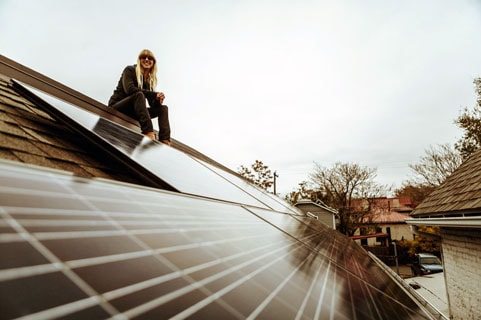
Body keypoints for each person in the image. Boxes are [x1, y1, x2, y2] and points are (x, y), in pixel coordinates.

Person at [108, 49, 171, 145]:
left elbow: (152, 104)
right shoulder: (130, 70)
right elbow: (129, 90)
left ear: (153, 63)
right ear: (139, 60)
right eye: (143, 57)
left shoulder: (149, 81)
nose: (146, 59)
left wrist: (157, 99)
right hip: (117, 107)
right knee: (139, 95)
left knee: (163, 109)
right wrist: (154, 94)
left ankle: (165, 140)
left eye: (150, 58)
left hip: (134, 111)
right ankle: (148, 132)